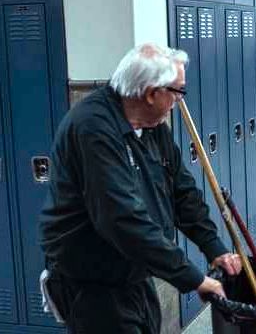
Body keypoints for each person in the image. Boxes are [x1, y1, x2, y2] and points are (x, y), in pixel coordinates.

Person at [39, 43, 242, 333]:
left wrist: (214, 248)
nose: (179, 102)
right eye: (177, 92)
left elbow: (182, 191)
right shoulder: (93, 127)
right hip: (92, 283)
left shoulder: (152, 125)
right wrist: (194, 279)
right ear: (150, 93)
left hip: (131, 273)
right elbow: (121, 218)